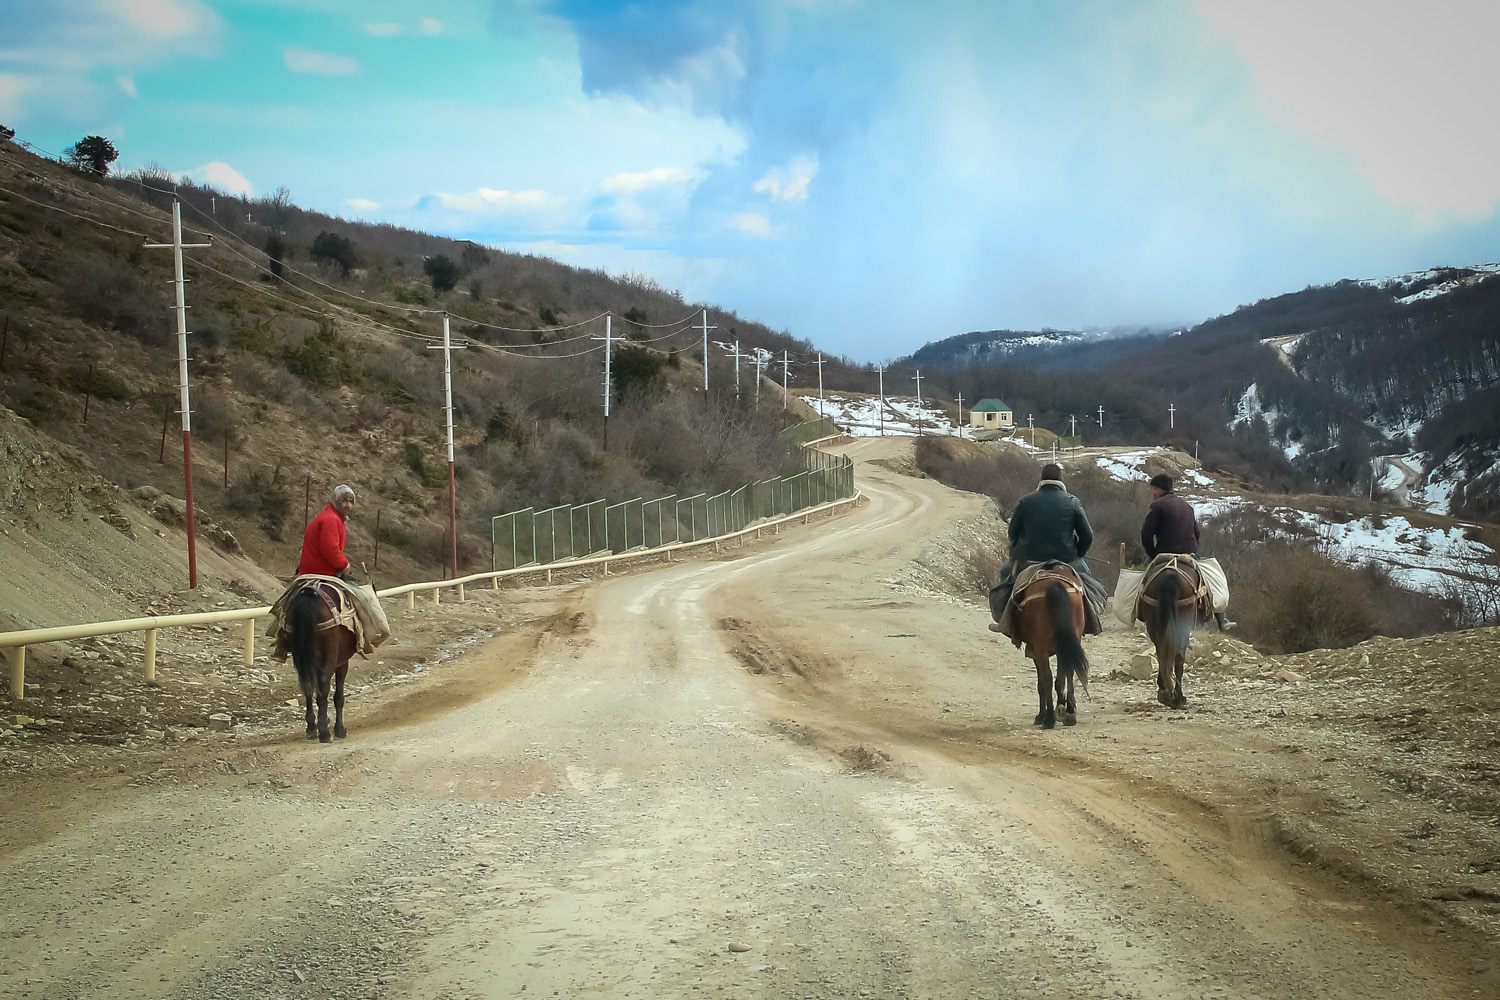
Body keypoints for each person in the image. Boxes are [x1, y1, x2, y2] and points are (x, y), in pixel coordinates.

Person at [989, 463, 1106, 634]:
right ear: (1061, 479)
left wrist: (1018, 549)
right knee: (1086, 577)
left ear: (1041, 479)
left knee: (1007, 574)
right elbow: (1087, 535)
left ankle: (1004, 621)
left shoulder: (1025, 501)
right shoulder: (1072, 501)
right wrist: (1078, 553)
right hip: (1067, 559)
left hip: (1029, 560)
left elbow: (1013, 533)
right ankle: (1091, 619)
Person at [1141, 473, 1234, 630]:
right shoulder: (1187, 506)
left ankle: (1135, 610)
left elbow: (1146, 534)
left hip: (1164, 553)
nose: (1153, 493)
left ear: (1159, 489)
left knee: (1141, 581)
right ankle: (1221, 618)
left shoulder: (1157, 506)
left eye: (1153, 489)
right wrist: (1192, 549)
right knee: (1212, 578)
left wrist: (1152, 554)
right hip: (1188, 552)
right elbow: (1197, 533)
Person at [298, 484, 357, 582]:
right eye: (344, 501)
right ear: (336, 501)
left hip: (313, 570)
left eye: (351, 502)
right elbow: (330, 549)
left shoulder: (330, 516)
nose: (348, 505)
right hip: (321, 573)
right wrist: (344, 564)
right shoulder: (331, 519)